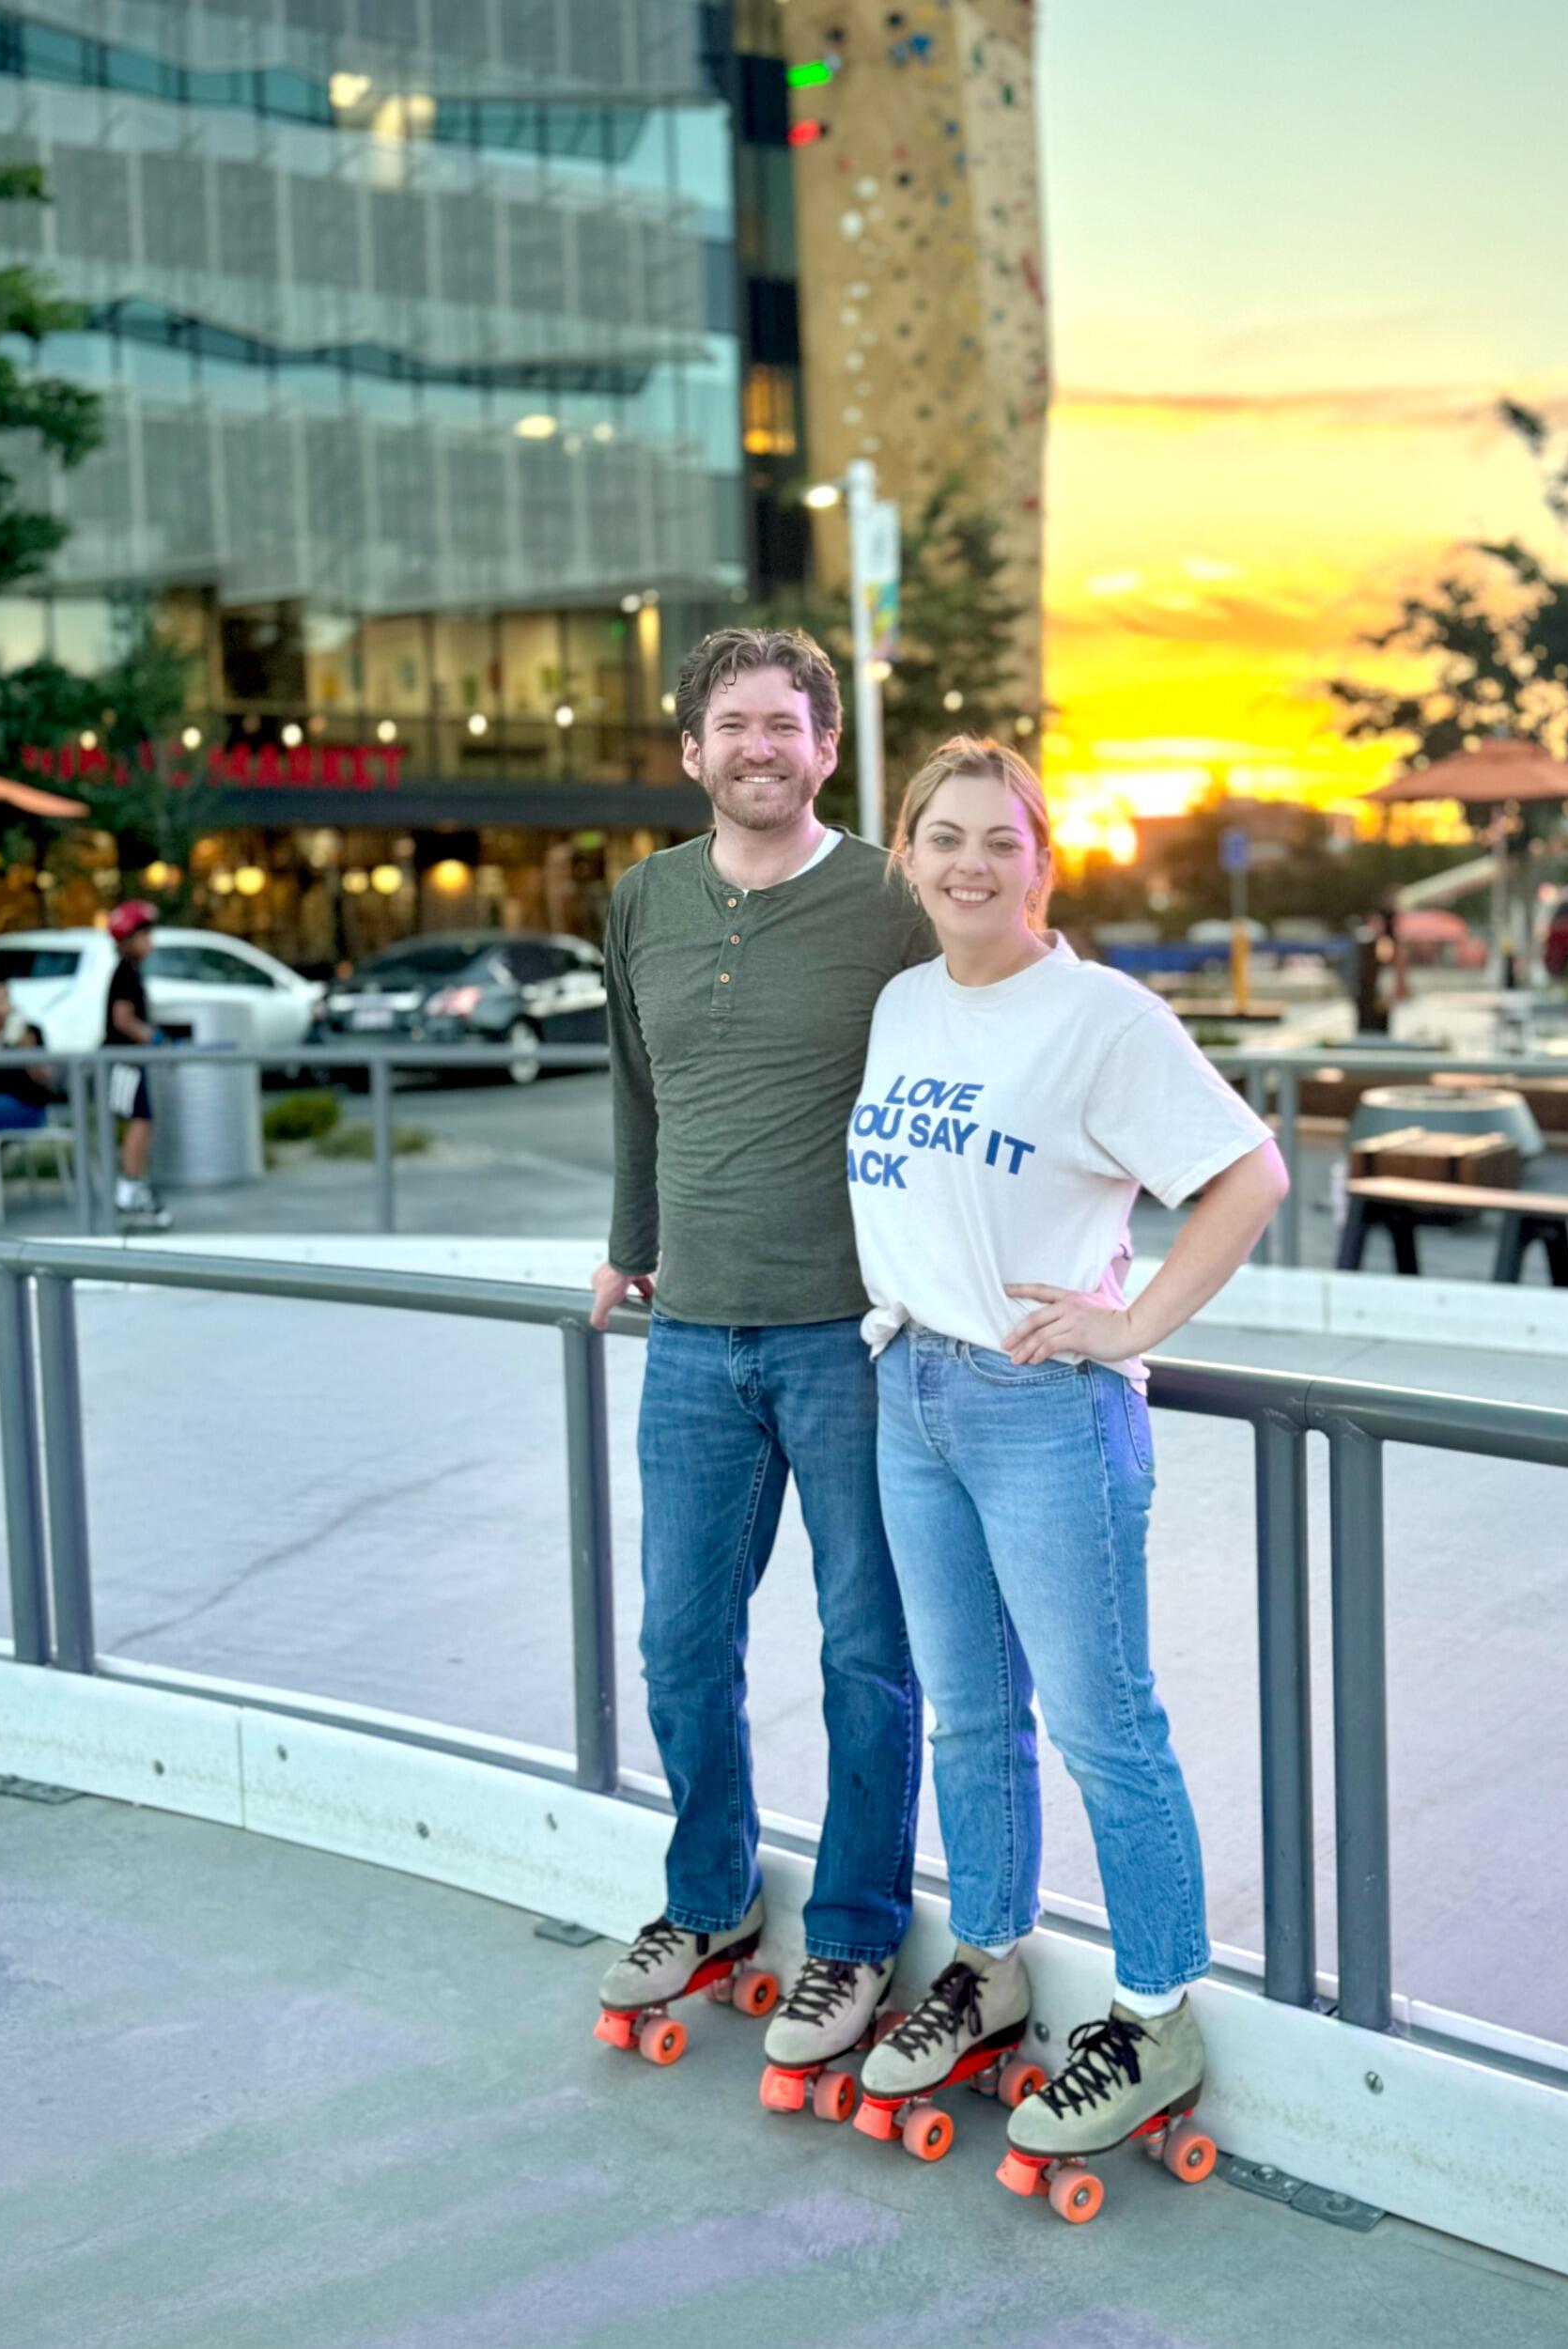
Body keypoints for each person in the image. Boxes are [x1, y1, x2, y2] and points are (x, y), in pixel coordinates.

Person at [848, 738, 1288, 2175]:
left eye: (1001, 840)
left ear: (1043, 860)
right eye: (943, 837)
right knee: (967, 1717)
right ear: (907, 855)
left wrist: (1131, 1321)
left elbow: (1247, 1173)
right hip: (909, 1388)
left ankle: (1153, 2017)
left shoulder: (1100, 1017)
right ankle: (987, 1963)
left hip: (1041, 1407)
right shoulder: (905, 1002)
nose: (970, 864)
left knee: (1104, 1726)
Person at [589, 626, 932, 2077]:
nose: (756, 748)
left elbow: (976, 1065)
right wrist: (628, 1240)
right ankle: (711, 1900)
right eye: (730, 725)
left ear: (824, 747)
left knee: (867, 1651)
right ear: (691, 752)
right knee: (678, 1643)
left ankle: (851, 1934)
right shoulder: (641, 900)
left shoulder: (893, 901)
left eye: (782, 724)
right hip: (689, 1336)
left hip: (848, 1337)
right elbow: (636, 1087)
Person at [0, 977, 60, 1228]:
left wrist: (26, 1047)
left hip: (25, 1109)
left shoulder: (28, 1032)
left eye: (3, 1000)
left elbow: (46, 1078)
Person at [102, 900, 172, 1231]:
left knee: (143, 1118)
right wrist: (153, 1037)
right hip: (124, 1061)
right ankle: (129, 1187)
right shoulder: (125, 974)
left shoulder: (130, 972)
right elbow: (123, 1019)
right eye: (145, 935)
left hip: (131, 1060)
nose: (150, 942)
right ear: (129, 939)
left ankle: (134, 1183)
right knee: (139, 1120)